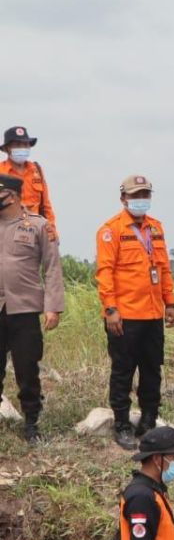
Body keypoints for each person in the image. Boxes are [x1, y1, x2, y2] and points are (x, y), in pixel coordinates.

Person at [96, 175, 174, 450]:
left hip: (153, 314)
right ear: (123, 199)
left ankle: (148, 419)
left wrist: (171, 303)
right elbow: (105, 273)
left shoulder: (156, 229)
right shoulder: (111, 230)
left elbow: (164, 268)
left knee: (152, 370)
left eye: (145, 194)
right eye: (135, 195)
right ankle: (121, 424)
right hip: (125, 316)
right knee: (123, 371)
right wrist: (111, 309)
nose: (141, 199)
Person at [0, 174, 64, 442]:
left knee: (27, 369)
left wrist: (53, 307)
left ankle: (31, 423)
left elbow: (51, 268)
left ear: (11, 196)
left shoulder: (38, 226)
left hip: (24, 309)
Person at [0, 126, 56, 231]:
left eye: (25, 144)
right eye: (17, 145)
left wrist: (52, 230)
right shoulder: (1, 172)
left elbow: (46, 206)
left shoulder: (36, 171)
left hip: (36, 230)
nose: (22, 147)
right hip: (8, 231)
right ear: (7, 148)